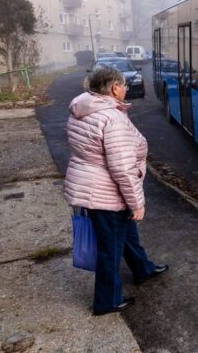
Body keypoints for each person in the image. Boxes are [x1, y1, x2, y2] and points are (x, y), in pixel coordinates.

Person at [64, 66, 168, 316]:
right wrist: (137, 203)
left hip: (90, 184)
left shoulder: (83, 108)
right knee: (110, 248)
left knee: (126, 233)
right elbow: (122, 168)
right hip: (106, 192)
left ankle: (143, 269)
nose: (126, 89)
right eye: (124, 85)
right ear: (113, 88)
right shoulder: (112, 118)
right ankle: (106, 301)